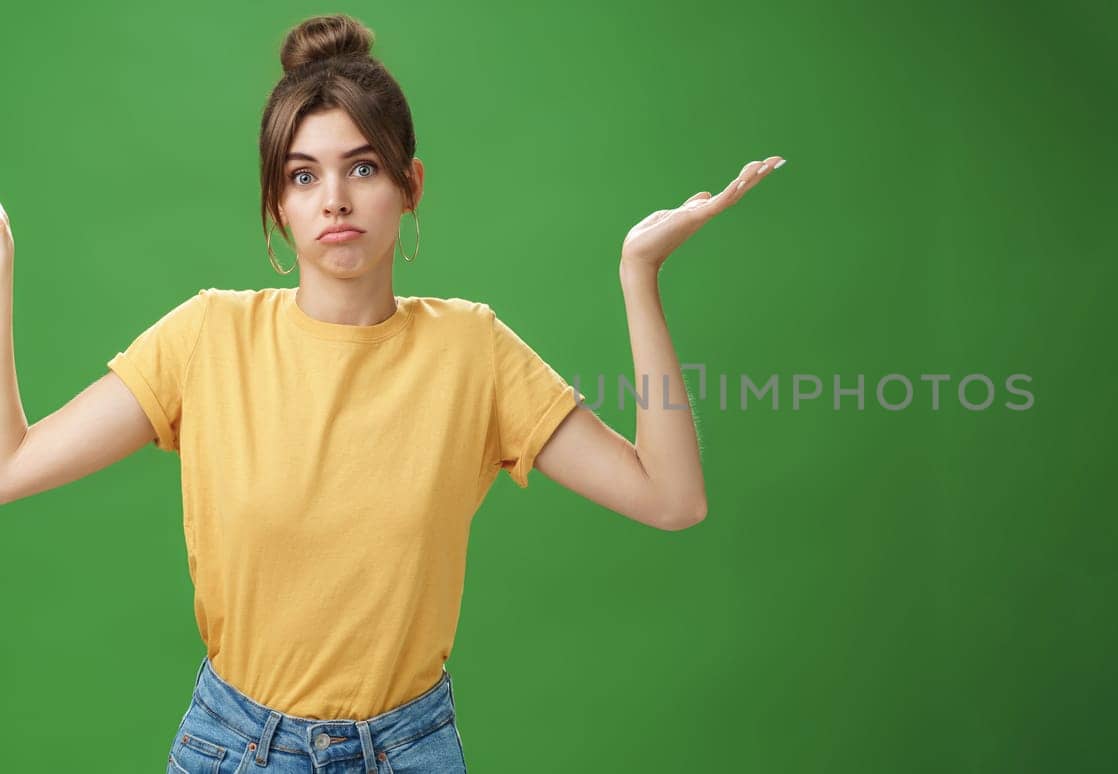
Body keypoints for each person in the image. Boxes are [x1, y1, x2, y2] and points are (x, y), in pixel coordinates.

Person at [0, 13, 782, 773]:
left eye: (362, 167)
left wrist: (639, 275)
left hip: (411, 750)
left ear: (410, 186)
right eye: (303, 176)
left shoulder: (472, 351)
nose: (333, 199)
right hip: (237, 750)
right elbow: (10, 466)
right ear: (278, 202)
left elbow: (671, 498)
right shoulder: (207, 338)